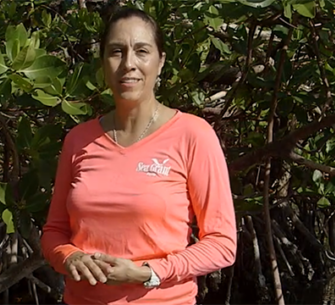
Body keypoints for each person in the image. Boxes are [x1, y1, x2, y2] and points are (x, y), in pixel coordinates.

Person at [39, 7, 238, 305]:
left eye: (142, 51)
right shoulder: (78, 140)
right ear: (104, 63)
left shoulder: (194, 135)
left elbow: (222, 243)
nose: (128, 64)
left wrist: (148, 273)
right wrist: (70, 257)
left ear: (161, 62)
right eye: (116, 52)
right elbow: (54, 232)